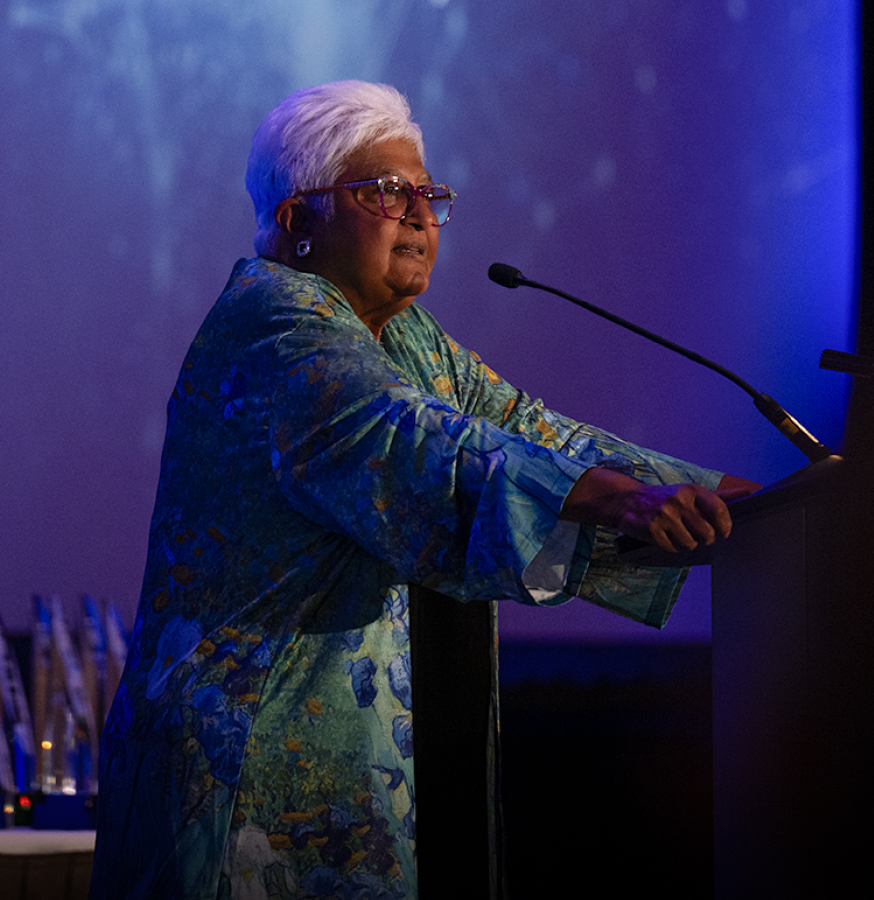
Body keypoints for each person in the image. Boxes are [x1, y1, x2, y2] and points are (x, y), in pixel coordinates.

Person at [91, 81, 757, 899]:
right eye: (381, 192)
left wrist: (743, 501)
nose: (414, 213)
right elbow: (415, 442)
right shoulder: (274, 327)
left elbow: (529, 430)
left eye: (425, 194)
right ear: (299, 222)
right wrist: (621, 502)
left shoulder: (402, 335)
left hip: (368, 766)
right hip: (243, 774)